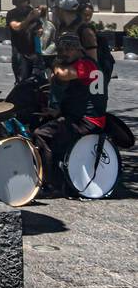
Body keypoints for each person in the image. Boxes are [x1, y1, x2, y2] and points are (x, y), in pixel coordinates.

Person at [32, 33, 108, 189]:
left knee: (42, 134)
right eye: (61, 51)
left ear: (76, 49)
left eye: (67, 50)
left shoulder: (85, 64)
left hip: (87, 121)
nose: (63, 54)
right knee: (44, 123)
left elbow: (62, 74)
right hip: (84, 117)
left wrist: (51, 61)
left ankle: (50, 181)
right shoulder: (88, 63)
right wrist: (57, 112)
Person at [5, 0, 42, 81]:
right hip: (19, 49)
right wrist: (29, 18)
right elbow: (16, 27)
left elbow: (40, 26)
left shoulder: (31, 11)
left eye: (24, 2)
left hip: (34, 49)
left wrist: (40, 30)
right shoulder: (12, 13)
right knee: (22, 77)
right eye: (19, 2)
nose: (22, 5)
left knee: (35, 77)